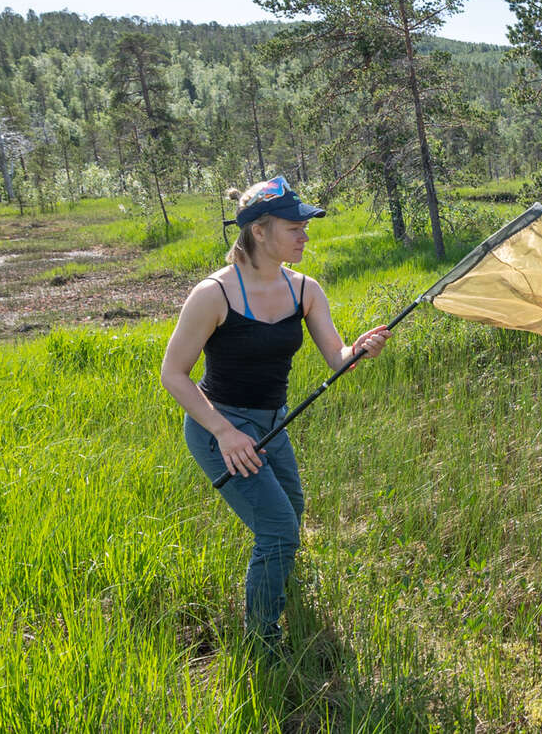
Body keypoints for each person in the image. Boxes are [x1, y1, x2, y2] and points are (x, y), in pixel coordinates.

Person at [159, 175, 391, 649]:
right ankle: (262, 640)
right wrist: (225, 433)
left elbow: (336, 357)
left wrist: (360, 349)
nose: (305, 235)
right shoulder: (213, 295)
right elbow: (173, 375)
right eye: (294, 227)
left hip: (271, 424)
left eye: (305, 226)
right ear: (259, 231)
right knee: (278, 528)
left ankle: (276, 589)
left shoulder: (305, 289)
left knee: (293, 512)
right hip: (218, 426)